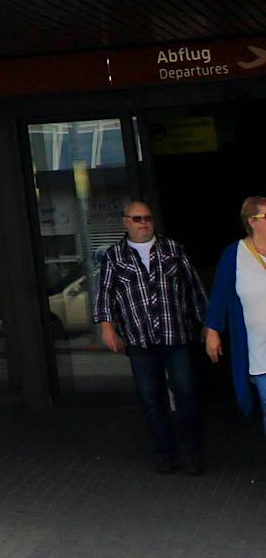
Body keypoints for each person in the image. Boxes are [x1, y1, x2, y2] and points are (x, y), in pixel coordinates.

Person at [94, 199, 207, 474]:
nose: (144, 224)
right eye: (137, 219)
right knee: (150, 398)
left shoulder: (172, 250)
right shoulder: (114, 256)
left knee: (187, 392)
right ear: (125, 222)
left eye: (148, 218)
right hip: (139, 338)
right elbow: (105, 294)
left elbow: (194, 288)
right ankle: (165, 454)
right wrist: (107, 326)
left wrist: (207, 323)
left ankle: (191, 454)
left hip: (175, 333)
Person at [202, 194, 266, 436]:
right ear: (252, 221)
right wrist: (213, 332)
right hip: (260, 351)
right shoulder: (235, 254)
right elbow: (220, 294)